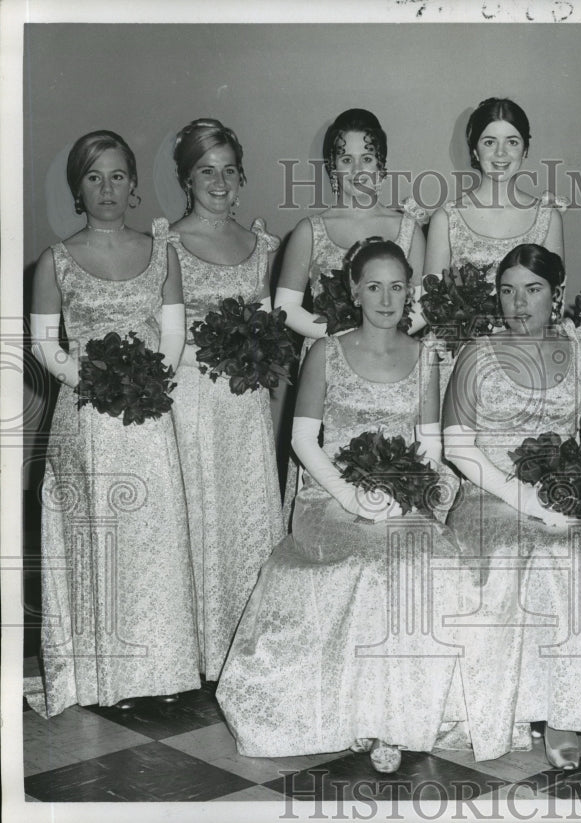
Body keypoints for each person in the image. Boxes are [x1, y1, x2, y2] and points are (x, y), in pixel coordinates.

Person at [216, 239, 465, 774]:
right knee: (370, 564)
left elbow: (430, 446)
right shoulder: (326, 351)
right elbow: (304, 441)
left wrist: (402, 492)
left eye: (397, 287)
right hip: (328, 494)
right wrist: (351, 494)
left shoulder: (426, 357)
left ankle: (402, 713)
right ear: (353, 289)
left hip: (402, 493)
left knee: (418, 557)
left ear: (410, 293)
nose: (385, 298)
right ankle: (357, 713)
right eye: (373, 285)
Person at [26, 130, 200, 716]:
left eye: (118, 175)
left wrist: (154, 379)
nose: (107, 188)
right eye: (94, 177)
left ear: (133, 185)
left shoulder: (162, 252)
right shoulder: (56, 260)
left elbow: (173, 332)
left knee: (155, 534)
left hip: (150, 415)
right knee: (103, 537)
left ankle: (166, 665)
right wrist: (95, 383)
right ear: (78, 186)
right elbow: (45, 346)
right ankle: (109, 675)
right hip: (88, 420)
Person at [443, 243, 581, 770]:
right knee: (527, 550)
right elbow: (457, 446)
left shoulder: (576, 354)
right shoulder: (476, 353)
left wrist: (569, 482)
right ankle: (518, 705)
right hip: (491, 495)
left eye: (532, 290)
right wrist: (526, 497)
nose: (518, 303)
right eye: (507, 291)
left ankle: (567, 708)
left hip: (563, 489)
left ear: (559, 293)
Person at [168, 118, 285, 683]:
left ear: (242, 177)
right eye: (205, 171)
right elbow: (159, 333)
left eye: (228, 170)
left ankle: (247, 644)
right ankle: (195, 649)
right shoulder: (167, 243)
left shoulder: (262, 245)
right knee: (200, 514)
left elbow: (270, 325)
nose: (218, 181)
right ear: (187, 179)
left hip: (245, 406)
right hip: (191, 401)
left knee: (247, 516)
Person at [275, 108, 425, 516]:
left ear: (382, 167)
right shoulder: (311, 229)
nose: (357, 170)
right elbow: (284, 308)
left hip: (391, 359)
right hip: (329, 363)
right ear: (331, 169)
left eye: (367, 158)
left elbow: (422, 303)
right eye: (346, 160)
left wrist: (380, 330)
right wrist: (340, 335)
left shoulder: (408, 228)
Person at [424, 97, 563, 280]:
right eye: (489, 142)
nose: (500, 153)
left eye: (512, 142)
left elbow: (555, 301)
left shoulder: (548, 218)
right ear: (475, 150)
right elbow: (432, 302)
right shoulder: (446, 219)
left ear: (525, 150)